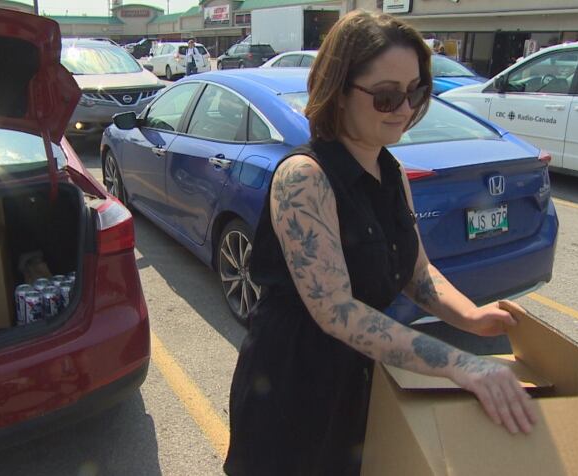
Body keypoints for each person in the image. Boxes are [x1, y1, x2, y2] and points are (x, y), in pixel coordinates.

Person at [224, 10, 537, 476]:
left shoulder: (391, 172)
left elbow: (417, 272)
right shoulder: (304, 177)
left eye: (416, 92)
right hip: (292, 386)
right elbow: (336, 311)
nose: (406, 109)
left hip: (362, 378)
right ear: (339, 91)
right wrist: (460, 364)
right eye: (387, 96)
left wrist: (471, 317)